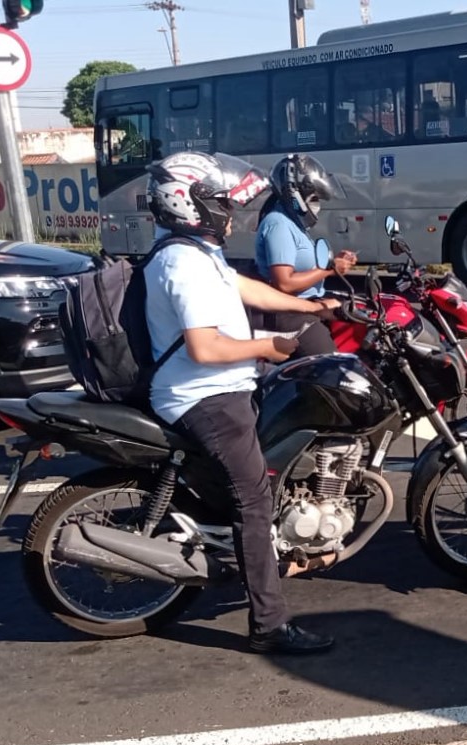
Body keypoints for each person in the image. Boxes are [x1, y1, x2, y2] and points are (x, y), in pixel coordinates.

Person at [143, 151, 341, 655]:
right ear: (188, 204)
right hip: (205, 396)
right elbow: (204, 348)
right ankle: (269, 626)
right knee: (254, 501)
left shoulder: (194, 251)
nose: (229, 213)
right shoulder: (182, 262)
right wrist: (268, 348)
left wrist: (310, 306)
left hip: (227, 387)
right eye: (219, 204)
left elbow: (247, 286)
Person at [253, 153, 356, 353]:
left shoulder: (293, 223)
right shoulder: (278, 224)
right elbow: (284, 283)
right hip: (290, 314)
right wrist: (330, 270)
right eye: (314, 198)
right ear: (296, 195)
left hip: (307, 304)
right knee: (333, 371)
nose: (317, 204)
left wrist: (332, 264)